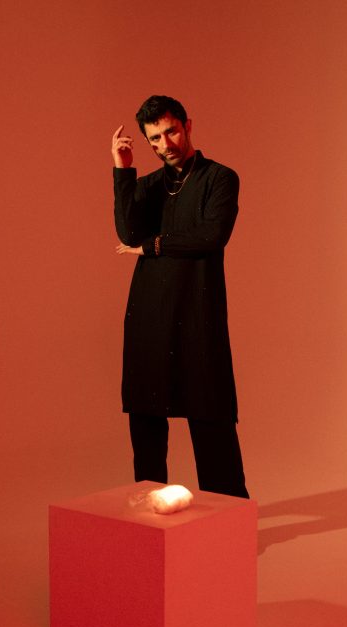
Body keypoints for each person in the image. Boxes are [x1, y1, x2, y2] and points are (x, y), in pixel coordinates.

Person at [111, 95, 249, 499]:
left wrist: (153, 246)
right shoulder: (149, 186)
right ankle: (149, 513)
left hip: (196, 312)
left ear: (187, 125)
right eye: (154, 138)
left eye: (170, 132)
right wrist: (123, 171)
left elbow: (211, 236)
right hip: (148, 313)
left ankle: (228, 517)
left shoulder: (219, 178)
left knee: (210, 413)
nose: (165, 144)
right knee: (146, 419)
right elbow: (128, 233)